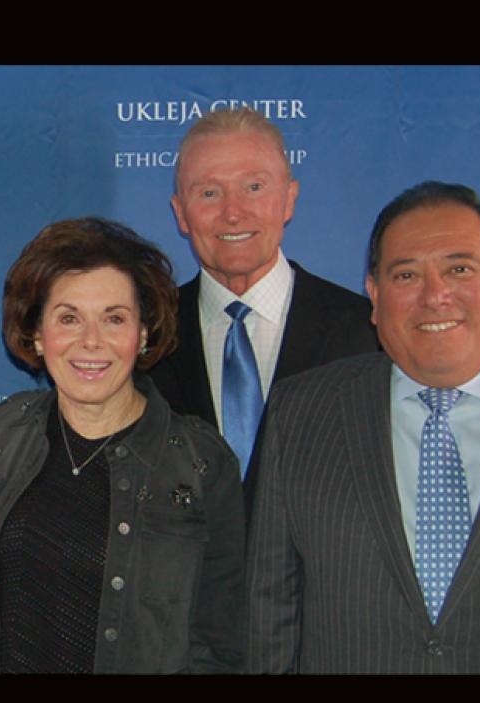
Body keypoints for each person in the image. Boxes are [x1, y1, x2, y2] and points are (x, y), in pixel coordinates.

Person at [248, 181, 480, 673]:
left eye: (459, 268)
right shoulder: (301, 413)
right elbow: (268, 618)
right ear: (374, 295)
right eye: (406, 275)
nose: (435, 296)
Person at [0, 219, 245, 673]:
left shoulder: (200, 462)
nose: (91, 341)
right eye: (69, 318)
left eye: (114, 318)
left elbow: (222, 642)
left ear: (144, 333)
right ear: (38, 334)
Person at [150, 107, 378, 476]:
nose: (233, 212)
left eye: (254, 187)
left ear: (289, 199)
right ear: (180, 213)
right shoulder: (145, 334)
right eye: (209, 192)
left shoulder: (365, 332)